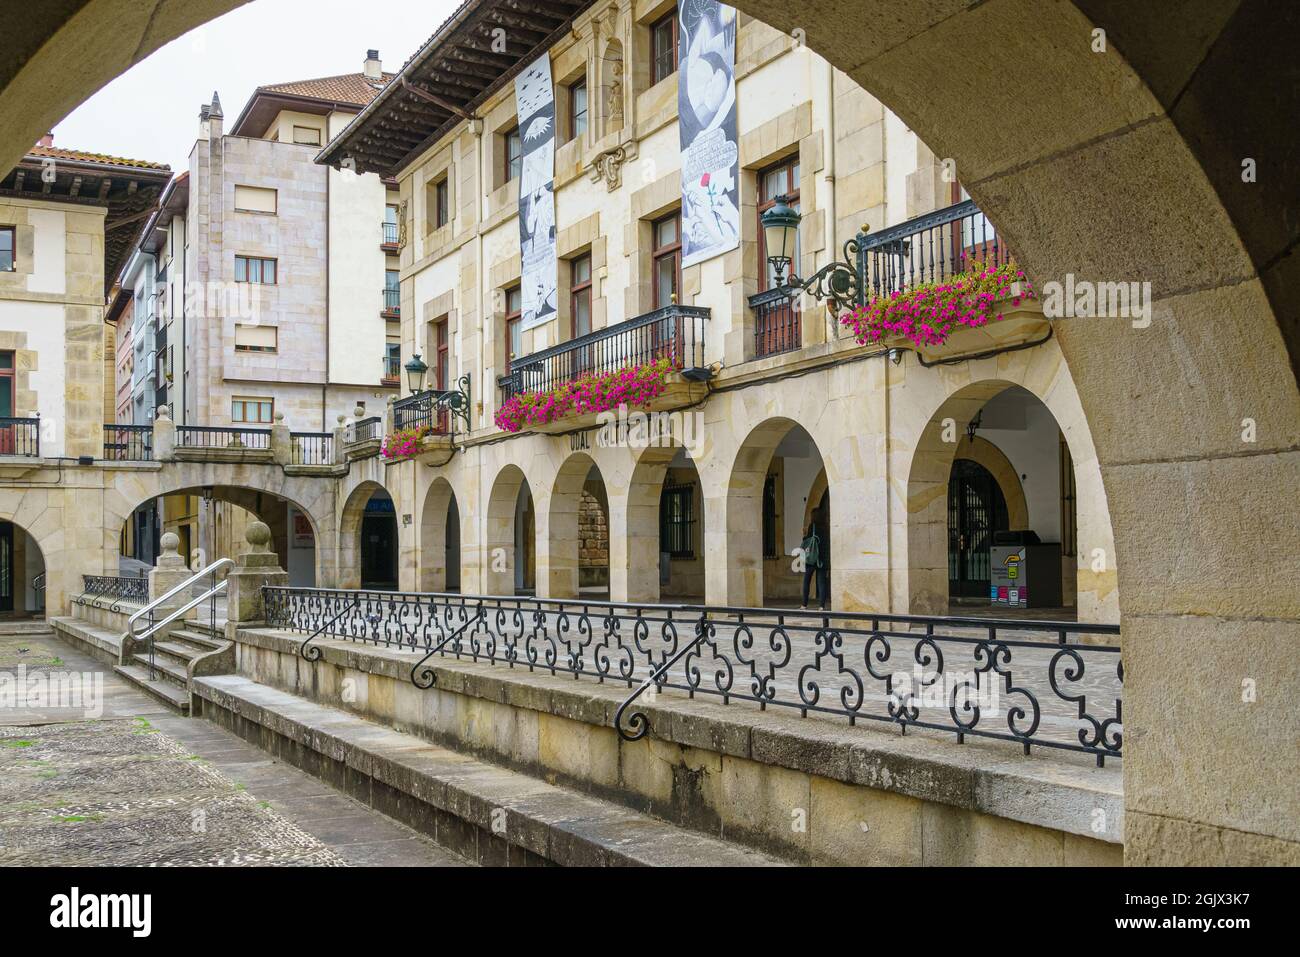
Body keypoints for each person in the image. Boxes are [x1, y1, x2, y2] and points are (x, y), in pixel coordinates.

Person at [800, 517, 829, 610]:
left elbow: (807, 540)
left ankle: (804, 605)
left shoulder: (813, 526)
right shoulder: (826, 527)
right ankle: (821, 606)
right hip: (822, 559)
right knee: (821, 583)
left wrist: (804, 534)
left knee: (806, 581)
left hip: (811, 558)